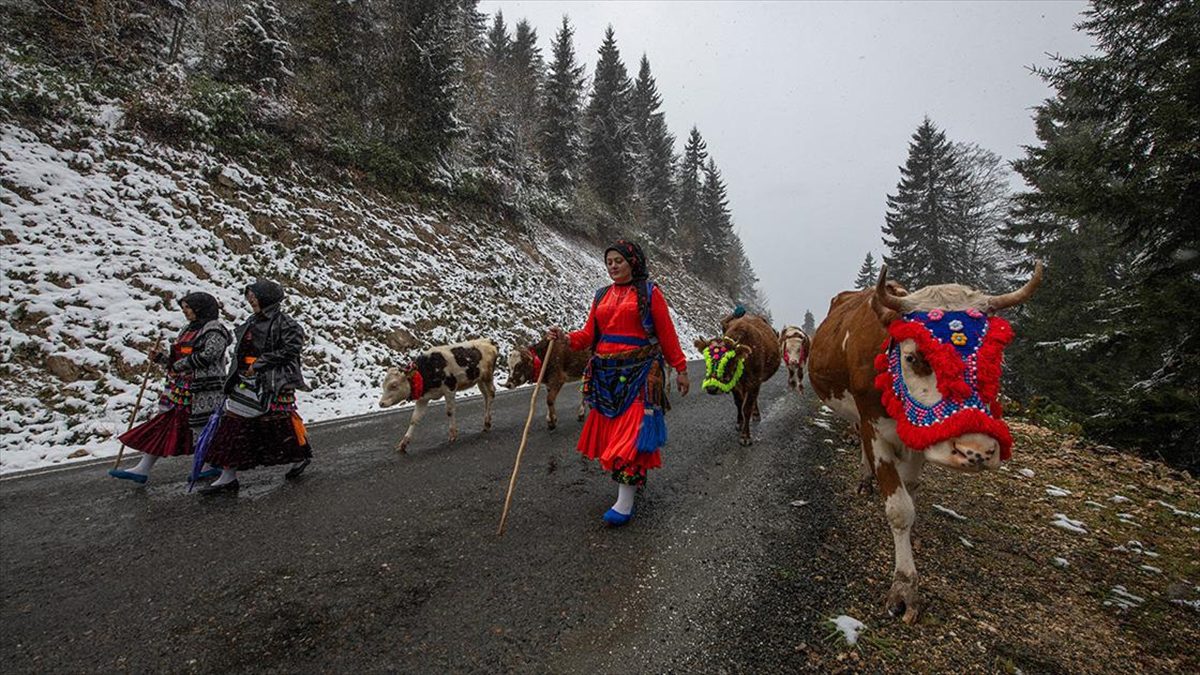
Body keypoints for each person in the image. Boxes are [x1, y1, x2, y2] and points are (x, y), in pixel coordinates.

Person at [547, 240, 689, 526]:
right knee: (615, 435)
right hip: (606, 373)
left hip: (641, 371)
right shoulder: (601, 295)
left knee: (631, 434)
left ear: (633, 262)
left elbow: (667, 334)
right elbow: (589, 335)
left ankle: (624, 501)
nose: (612, 266)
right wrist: (565, 338)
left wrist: (681, 367)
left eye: (618, 261)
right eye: (609, 261)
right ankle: (631, 482)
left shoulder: (650, 294)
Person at [197, 280, 312, 494]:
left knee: (278, 425)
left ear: (267, 298)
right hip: (245, 381)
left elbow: (290, 350)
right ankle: (228, 475)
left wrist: (259, 364)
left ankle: (299, 455)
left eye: (255, 297)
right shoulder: (251, 322)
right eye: (250, 297)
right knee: (234, 424)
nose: (251, 301)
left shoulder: (286, 324)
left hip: (273, 382)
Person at [109, 292, 230, 484]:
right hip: (182, 390)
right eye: (184, 308)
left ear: (201, 308)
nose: (185, 312)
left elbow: (210, 355)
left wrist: (180, 365)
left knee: (205, 428)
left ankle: (211, 466)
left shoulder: (215, 330)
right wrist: (162, 360)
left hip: (204, 391)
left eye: (189, 308)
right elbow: (177, 360)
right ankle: (143, 468)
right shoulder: (187, 330)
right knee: (167, 425)